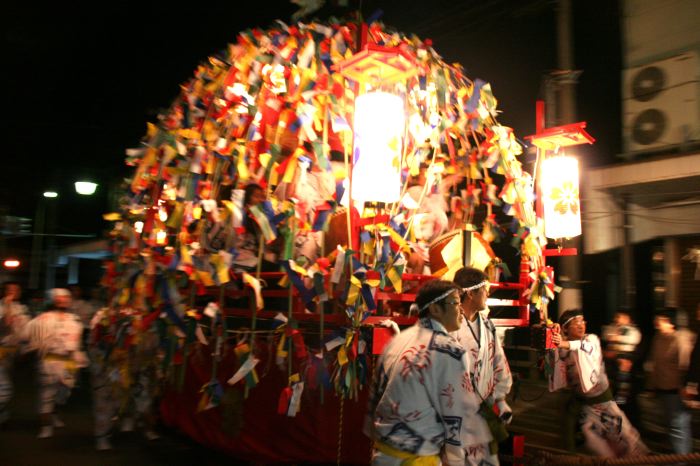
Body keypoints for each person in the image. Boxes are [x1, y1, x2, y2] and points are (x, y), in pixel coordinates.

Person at [366, 279, 476, 465]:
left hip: (383, 453)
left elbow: (376, 398)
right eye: (456, 303)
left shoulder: (398, 341)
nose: (462, 310)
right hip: (417, 457)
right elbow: (455, 412)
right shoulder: (450, 351)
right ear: (435, 309)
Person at [549, 309, 648, 458]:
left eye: (583, 322)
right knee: (596, 446)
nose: (581, 325)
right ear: (565, 328)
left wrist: (561, 342)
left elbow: (579, 346)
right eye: (576, 323)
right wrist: (549, 337)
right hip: (586, 407)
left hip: (605, 403)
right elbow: (555, 361)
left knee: (626, 440)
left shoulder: (591, 340)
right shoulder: (562, 350)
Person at [450, 266, 513, 465]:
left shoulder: (487, 325)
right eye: (484, 289)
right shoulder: (448, 324)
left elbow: (498, 361)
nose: (487, 294)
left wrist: (501, 399)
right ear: (470, 293)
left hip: (480, 410)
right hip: (453, 413)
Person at [89, 306, 161, 450]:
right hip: (109, 370)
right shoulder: (104, 316)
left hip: (136, 370)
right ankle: (102, 436)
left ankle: (137, 424)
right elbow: (95, 346)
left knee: (143, 402)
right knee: (106, 404)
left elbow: (152, 351)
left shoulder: (148, 325)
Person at [25, 288, 87, 438]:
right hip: (49, 362)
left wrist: (79, 358)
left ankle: (54, 413)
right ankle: (45, 427)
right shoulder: (42, 319)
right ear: (53, 300)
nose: (64, 300)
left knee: (63, 395)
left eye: (66, 297)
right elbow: (30, 337)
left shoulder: (74, 319)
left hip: (68, 364)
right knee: (47, 396)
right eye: (60, 298)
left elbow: (78, 342)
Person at [647, 307, 693, 455]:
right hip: (662, 389)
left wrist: (685, 390)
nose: (657, 322)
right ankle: (674, 455)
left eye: (661, 319)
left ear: (671, 322)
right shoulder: (658, 338)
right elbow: (655, 364)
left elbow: (685, 367)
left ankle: (682, 459)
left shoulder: (680, 340)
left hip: (676, 391)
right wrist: (651, 386)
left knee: (678, 426)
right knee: (669, 425)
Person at [601, 309, 642, 417]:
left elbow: (632, 342)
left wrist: (617, 338)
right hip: (613, 365)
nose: (617, 319)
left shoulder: (633, 331)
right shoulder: (612, 328)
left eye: (620, 317)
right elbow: (607, 338)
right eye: (617, 317)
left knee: (624, 391)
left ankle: (624, 410)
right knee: (614, 389)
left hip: (626, 364)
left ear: (628, 319)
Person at [0, 282, 30, 425]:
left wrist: (24, 349)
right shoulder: (1, 306)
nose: (14, 291)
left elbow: (24, 331)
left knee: (7, 382)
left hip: (13, 351)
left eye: (17, 289)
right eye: (10, 289)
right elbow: (6, 324)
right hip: (1, 349)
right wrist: (7, 305)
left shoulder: (22, 308)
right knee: (5, 387)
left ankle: (3, 412)